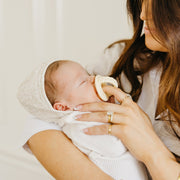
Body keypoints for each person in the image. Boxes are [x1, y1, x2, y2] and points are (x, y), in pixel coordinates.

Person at [19, 0, 180, 179]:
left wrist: (153, 152)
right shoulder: (122, 59)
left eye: (159, 4)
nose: (143, 14)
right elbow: (41, 116)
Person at [17, 60, 148, 180]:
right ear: (63, 107)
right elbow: (114, 147)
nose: (93, 79)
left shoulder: (94, 114)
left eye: (88, 74)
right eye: (83, 82)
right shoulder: (79, 125)